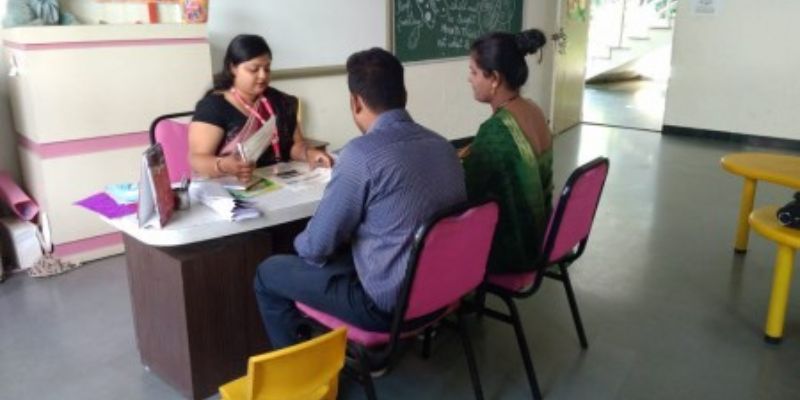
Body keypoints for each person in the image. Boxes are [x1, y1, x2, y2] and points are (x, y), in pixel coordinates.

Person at [254, 48, 466, 350]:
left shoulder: (361, 155)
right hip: (442, 292)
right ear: (404, 94)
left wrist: (297, 244)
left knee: (270, 272)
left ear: (355, 102)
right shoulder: (444, 147)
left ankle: (301, 370)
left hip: (387, 307)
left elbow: (316, 248)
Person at [462, 29, 553, 274]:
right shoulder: (533, 109)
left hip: (515, 250)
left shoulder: (496, 130)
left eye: (474, 72)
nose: (469, 79)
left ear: (494, 78)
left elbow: (466, 191)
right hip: (544, 235)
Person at [188, 34, 332, 182]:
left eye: (267, 69)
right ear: (233, 68)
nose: (263, 76)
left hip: (278, 181)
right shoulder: (213, 106)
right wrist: (224, 165)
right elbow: (197, 159)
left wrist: (309, 153)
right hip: (232, 185)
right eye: (254, 69)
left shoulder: (280, 101)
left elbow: (295, 145)